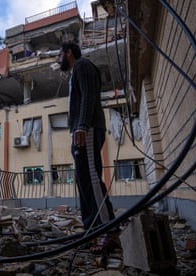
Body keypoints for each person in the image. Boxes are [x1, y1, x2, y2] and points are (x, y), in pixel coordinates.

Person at [57, 41, 119, 254]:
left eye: (59, 56)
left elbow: (89, 97)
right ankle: (91, 230)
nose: (58, 60)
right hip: (80, 130)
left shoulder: (83, 65)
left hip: (88, 128)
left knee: (92, 178)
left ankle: (109, 231)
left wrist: (82, 125)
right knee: (83, 179)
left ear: (68, 53)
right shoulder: (75, 73)